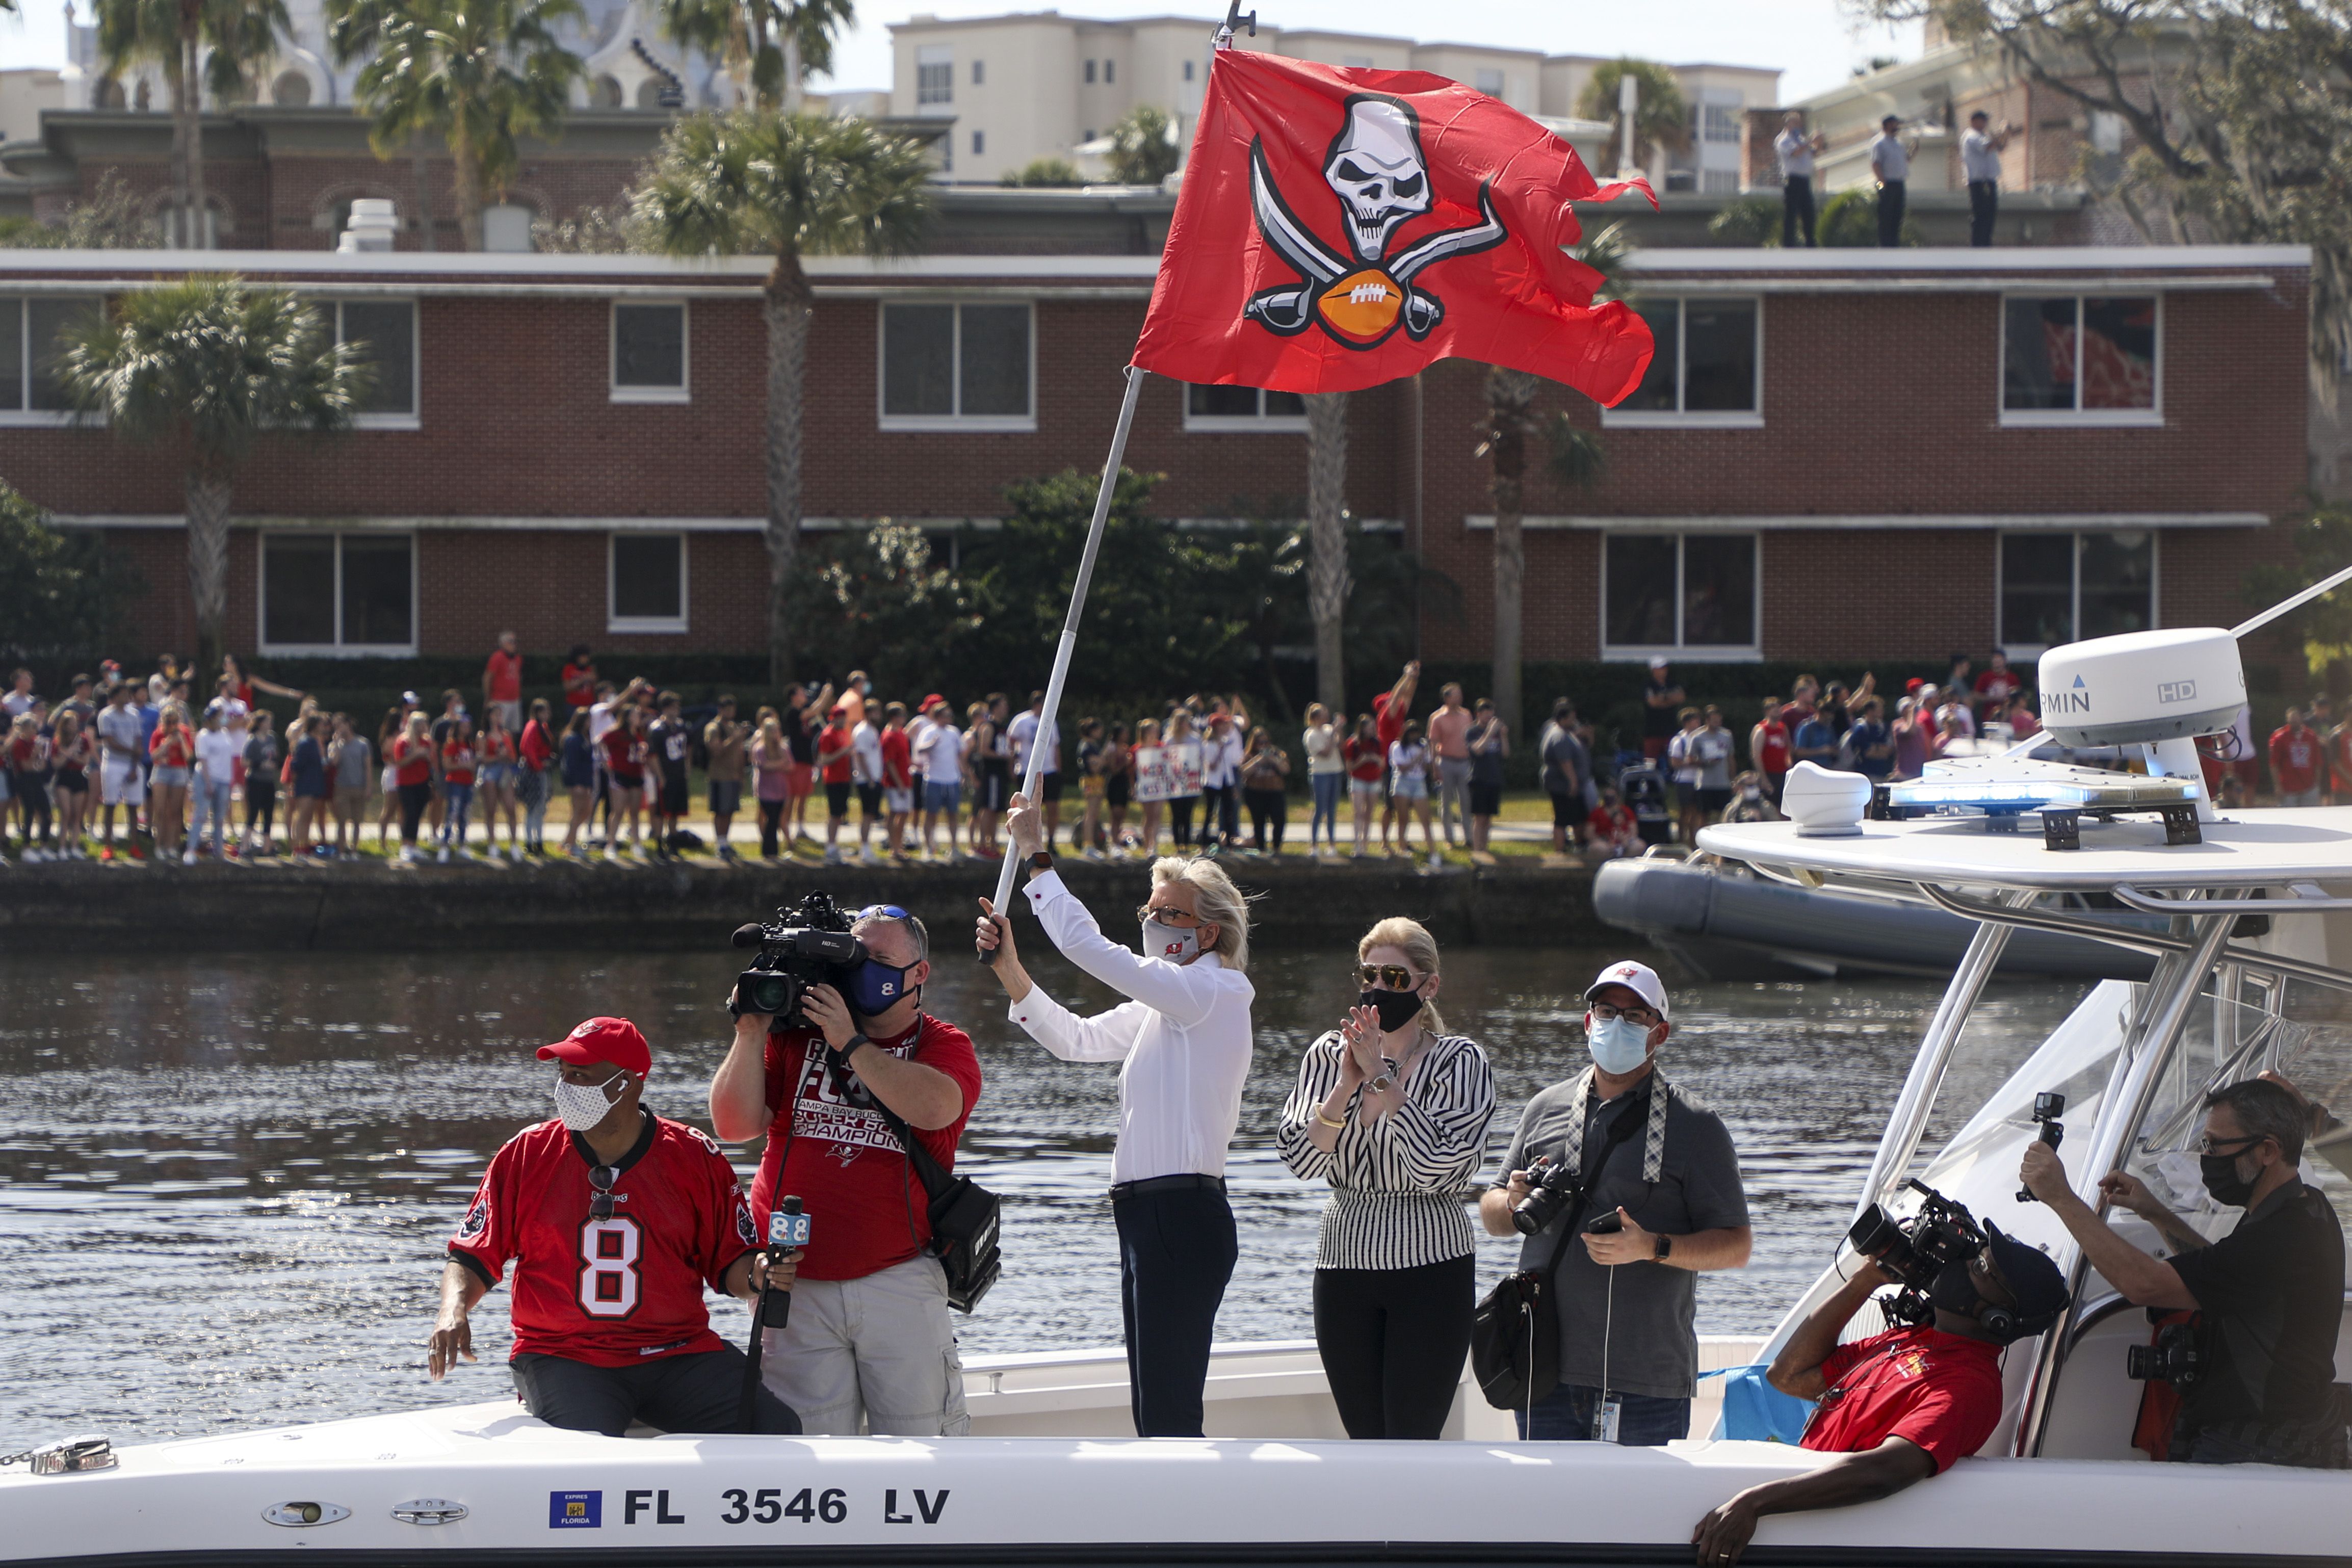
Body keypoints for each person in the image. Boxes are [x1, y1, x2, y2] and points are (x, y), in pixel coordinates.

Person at [976, 805, 1256, 1438]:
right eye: (1149, 911)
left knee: (1168, 1409)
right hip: (1145, 1217)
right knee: (1153, 1406)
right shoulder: (1169, 1005)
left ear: (1208, 934)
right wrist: (1010, 971)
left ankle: (1180, 1532)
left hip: (1181, 1217)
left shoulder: (1210, 994)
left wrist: (1037, 857)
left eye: (1168, 914)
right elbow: (1075, 1040)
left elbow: (1087, 947)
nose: (1154, 923)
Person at [431, 1016, 800, 1438]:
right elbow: (473, 1255)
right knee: (586, 1447)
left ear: (627, 1084)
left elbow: (732, 1263)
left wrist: (761, 1275)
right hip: (566, 1356)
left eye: (581, 1075)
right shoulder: (526, 1154)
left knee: (775, 1425)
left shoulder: (693, 1156)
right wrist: (452, 1308)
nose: (565, 1086)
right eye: (563, 1074)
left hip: (676, 1353)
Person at [710, 906, 982, 1436]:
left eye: (880, 960)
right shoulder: (798, 1038)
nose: (864, 971)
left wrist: (851, 1043)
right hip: (794, 1283)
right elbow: (734, 1124)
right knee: (805, 1447)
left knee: (921, 1444)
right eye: (857, 957)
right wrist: (750, 1032)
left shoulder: (944, 1045)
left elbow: (935, 1107)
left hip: (897, 1278)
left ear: (918, 974)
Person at [1691, 1216, 2072, 1566]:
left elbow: (1886, 1471)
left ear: (1997, 1318)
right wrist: (1864, 1281)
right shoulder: (1913, 1339)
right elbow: (1789, 1376)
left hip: (1835, 1542)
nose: (1963, 1264)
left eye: (1980, 1268)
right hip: (1806, 1528)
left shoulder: (1970, 1386)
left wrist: (1756, 1502)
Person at [1480, 960, 1753, 1443]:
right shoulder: (1545, 1108)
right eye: (1607, 1012)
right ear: (1589, 1022)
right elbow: (1494, 1213)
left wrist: (1653, 1247)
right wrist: (1512, 1200)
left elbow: (1736, 1246)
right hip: (1544, 1372)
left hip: (1647, 1381)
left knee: (1642, 1519)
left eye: (1635, 1017)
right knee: (1552, 1517)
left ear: (1660, 1033)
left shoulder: (1696, 1125)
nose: (1616, 1025)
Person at [2019, 1078, 2348, 1468]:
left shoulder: (2281, 1236)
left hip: (2262, 1447)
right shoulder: (2306, 1207)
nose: (2206, 1157)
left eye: (2214, 1145)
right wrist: (2154, 1211)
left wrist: (2061, 1198)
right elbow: (2223, 1274)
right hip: (2276, 1432)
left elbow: (2145, 1285)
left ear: (2267, 1151)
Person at [1276, 917, 1496, 1439]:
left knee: (1412, 1440)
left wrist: (1382, 1077)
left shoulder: (1459, 1062)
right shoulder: (1329, 1054)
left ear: (1429, 986)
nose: (1378, 988)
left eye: (1395, 978)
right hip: (1344, 1261)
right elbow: (1299, 1160)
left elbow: (1438, 1168)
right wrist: (1346, 1085)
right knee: (1364, 1441)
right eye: (1369, 975)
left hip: (1431, 1266)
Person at [95, 680, 145, 859]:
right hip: (113, 764)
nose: (128, 696)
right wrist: (133, 751)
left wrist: (133, 766)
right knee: (110, 804)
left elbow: (138, 740)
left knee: (133, 806)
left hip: (132, 764)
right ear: (115, 697)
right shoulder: (106, 716)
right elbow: (110, 742)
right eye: (124, 694)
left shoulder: (134, 715)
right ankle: (108, 846)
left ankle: (134, 846)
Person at [1008, 689, 1064, 848]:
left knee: (1053, 806)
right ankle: (1023, 841)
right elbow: (1011, 741)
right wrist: (1012, 763)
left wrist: (1058, 768)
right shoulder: (1022, 721)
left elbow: (1056, 746)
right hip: (1027, 770)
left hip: (1049, 770)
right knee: (1026, 808)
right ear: (1035, 705)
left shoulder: (1052, 721)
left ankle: (1051, 841)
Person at [914, 695, 965, 863]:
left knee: (953, 815)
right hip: (934, 779)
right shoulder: (929, 731)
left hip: (952, 780)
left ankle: (954, 847)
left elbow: (960, 754)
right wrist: (932, 744)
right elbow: (920, 749)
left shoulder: (954, 732)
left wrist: (963, 774)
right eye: (946, 715)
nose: (949, 718)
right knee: (931, 814)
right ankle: (928, 847)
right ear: (938, 716)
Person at [190, 702, 239, 864]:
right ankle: (191, 850)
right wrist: (208, 783)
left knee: (219, 819)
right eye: (220, 716)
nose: (223, 719)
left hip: (224, 780)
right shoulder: (203, 736)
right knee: (201, 815)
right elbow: (203, 760)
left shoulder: (225, 733)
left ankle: (219, 853)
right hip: (207, 779)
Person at [1540, 699, 1590, 855]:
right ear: (1563, 719)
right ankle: (1560, 851)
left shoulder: (1569, 733)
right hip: (1562, 785)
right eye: (1571, 718)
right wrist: (1573, 782)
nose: (1574, 721)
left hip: (1571, 784)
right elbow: (1565, 762)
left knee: (1578, 817)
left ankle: (1579, 847)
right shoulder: (1559, 736)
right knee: (1562, 819)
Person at [1428, 683, 1473, 849]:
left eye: (1460, 694)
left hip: (1464, 762)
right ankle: (1449, 838)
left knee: (1466, 801)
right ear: (1447, 698)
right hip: (1446, 762)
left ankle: (1469, 838)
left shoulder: (1466, 715)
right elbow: (1432, 745)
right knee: (1446, 802)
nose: (1460, 697)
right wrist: (1434, 767)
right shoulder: (1437, 718)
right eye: (1456, 694)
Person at [1960, 109, 2011, 248]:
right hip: (1979, 182)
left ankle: (1987, 243)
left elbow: (2000, 147)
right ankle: (1978, 245)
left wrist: (2005, 134)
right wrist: (2000, 132)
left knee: (1990, 214)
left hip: (1989, 181)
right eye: (1983, 120)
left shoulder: (1984, 135)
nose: (1986, 123)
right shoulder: (1971, 136)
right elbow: (1987, 147)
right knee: (1981, 215)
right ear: (1974, 121)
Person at [1774, 111, 1825, 247]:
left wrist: (1818, 144)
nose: (1799, 125)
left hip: (1805, 179)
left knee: (1808, 211)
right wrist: (1810, 141)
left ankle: (1810, 242)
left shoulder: (1801, 139)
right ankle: (1789, 243)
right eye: (1796, 123)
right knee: (1791, 212)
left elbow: (1812, 154)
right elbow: (1796, 153)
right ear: (1789, 124)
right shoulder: (1784, 140)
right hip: (1792, 179)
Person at [1389, 718, 1437, 863]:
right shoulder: (1397, 747)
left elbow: (1427, 768)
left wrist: (1425, 759)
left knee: (1426, 819)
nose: (1414, 738)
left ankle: (1433, 851)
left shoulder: (1423, 746)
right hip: (1403, 782)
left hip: (1419, 782)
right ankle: (1403, 848)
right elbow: (1402, 768)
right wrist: (1417, 758)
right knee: (1403, 818)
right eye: (1411, 734)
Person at [477, 704, 520, 860]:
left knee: (511, 808)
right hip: (490, 771)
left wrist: (506, 755)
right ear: (489, 716)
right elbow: (481, 759)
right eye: (496, 715)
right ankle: (492, 843)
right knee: (491, 809)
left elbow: (514, 757)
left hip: (505, 770)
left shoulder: (506, 734)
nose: (498, 718)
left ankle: (514, 843)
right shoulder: (483, 736)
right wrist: (497, 756)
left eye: (500, 715)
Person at [48, 709, 92, 858]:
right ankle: (62, 847)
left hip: (78, 777)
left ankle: (74, 846)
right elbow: (56, 763)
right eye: (71, 723)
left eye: (76, 722)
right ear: (65, 725)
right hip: (64, 777)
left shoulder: (83, 740)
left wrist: (68, 754)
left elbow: (85, 761)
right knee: (66, 813)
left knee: (77, 814)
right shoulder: (58, 741)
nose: (75, 725)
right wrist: (70, 753)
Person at [1466, 697, 1508, 854]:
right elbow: (1477, 750)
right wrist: (1490, 732)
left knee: (1489, 818)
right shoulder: (1472, 731)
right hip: (1479, 778)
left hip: (1495, 778)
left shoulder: (1498, 732)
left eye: (1491, 714)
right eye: (1486, 714)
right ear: (1479, 714)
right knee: (1480, 817)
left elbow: (1505, 754)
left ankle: (1485, 847)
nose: (1489, 717)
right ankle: (1477, 849)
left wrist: (1503, 736)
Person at [1300, 702, 1343, 858]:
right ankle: (1314, 844)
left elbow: (1340, 744)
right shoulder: (1311, 735)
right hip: (1320, 774)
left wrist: (1338, 729)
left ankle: (1332, 844)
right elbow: (1325, 753)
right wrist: (1333, 734)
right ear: (1316, 717)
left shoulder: (1329, 730)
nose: (1327, 717)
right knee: (1320, 809)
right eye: (1324, 715)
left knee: (1332, 811)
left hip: (1335, 771)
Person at [556, 707, 595, 859]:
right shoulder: (573, 738)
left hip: (586, 779)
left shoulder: (585, 737)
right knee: (579, 811)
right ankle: (571, 845)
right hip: (577, 781)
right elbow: (571, 763)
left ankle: (567, 840)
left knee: (587, 811)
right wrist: (577, 784)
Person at [850, 697, 885, 866]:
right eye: (876, 712)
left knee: (871, 815)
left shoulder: (872, 730)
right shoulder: (863, 731)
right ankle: (864, 848)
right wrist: (870, 778)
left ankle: (866, 847)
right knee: (867, 814)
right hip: (867, 780)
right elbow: (861, 756)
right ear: (868, 713)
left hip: (875, 778)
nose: (878, 715)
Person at [328, 713, 369, 856]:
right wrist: (337, 745)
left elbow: (368, 767)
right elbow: (334, 763)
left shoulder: (363, 744)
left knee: (357, 821)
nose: (338, 728)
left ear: (348, 724)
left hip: (359, 786)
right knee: (342, 821)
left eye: (340, 724)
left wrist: (368, 787)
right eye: (335, 726)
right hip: (341, 788)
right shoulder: (334, 745)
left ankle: (354, 849)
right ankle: (341, 850)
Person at [438, 717, 477, 864]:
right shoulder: (452, 745)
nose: (467, 729)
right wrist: (464, 766)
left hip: (468, 783)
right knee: (452, 813)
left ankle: (462, 844)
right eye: (464, 726)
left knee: (465, 814)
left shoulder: (471, 746)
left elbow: (473, 765)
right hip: (455, 783)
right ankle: (444, 845)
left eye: (469, 726)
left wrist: (471, 767)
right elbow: (447, 765)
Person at [879, 703, 915, 864]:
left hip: (905, 779)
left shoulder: (901, 732)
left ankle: (897, 845)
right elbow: (890, 762)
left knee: (902, 813)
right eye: (902, 715)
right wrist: (900, 783)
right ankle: (895, 848)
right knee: (897, 813)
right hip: (895, 782)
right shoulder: (889, 736)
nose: (904, 718)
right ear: (894, 717)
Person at [286, 714, 326, 856]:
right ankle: (297, 848)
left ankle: (305, 846)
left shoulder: (315, 742)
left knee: (309, 817)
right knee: (303, 816)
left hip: (314, 784)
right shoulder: (305, 742)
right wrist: (294, 785)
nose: (324, 727)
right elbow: (295, 766)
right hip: (305, 785)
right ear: (315, 725)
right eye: (321, 724)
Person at [1870, 114, 1911, 247]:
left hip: (1899, 183)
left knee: (1897, 214)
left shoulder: (1898, 144)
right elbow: (1876, 164)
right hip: (1885, 183)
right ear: (1888, 125)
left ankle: (1894, 244)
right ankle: (1885, 244)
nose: (1897, 127)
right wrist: (1883, 182)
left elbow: (1905, 161)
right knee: (1886, 215)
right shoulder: (1880, 143)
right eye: (1894, 124)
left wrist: (1914, 151)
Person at [2271, 707, 2323, 806]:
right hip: (2288, 787)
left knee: (2311, 816)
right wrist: (2278, 786)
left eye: (2296, 720)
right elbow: (2274, 764)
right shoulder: (2280, 738)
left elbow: (2318, 762)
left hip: (2309, 786)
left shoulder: (2311, 737)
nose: (2294, 722)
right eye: (2292, 720)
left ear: (2301, 719)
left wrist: (2317, 784)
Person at [1642, 657, 1684, 762]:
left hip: (1671, 729)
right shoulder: (1648, 685)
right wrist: (1670, 699)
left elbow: (1681, 697)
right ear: (1653, 670)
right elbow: (1653, 703)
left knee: (1672, 760)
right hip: (1653, 732)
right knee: (1651, 762)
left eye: (1664, 668)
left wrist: (1663, 699)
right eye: (1660, 668)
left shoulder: (1672, 683)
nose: (1663, 671)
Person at [482, 630, 524, 737]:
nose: (514, 644)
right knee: (500, 729)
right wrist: (488, 697)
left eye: (515, 641)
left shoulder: (518, 659)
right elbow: (488, 677)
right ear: (503, 643)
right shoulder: (497, 657)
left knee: (514, 731)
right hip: (500, 701)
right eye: (511, 641)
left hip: (515, 700)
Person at [1585, 783, 1638, 864]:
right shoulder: (1596, 812)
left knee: (1639, 846)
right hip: (1604, 843)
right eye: (1607, 796)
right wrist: (1604, 841)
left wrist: (1626, 840)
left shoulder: (1627, 811)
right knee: (1599, 848)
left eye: (1612, 797)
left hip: (1624, 842)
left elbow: (1634, 831)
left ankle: (1625, 863)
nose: (1609, 799)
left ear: (1618, 797)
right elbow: (1589, 833)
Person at [1971, 647, 2021, 725]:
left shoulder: (2013, 678)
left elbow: (2019, 697)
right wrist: (1991, 697)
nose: (1996, 661)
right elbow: (1976, 695)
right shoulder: (1985, 677)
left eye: (1999, 659)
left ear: (2005, 661)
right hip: (1989, 718)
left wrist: (2007, 699)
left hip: (2009, 719)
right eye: (1994, 659)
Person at [560, 644, 595, 719]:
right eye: (584, 657)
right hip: (573, 706)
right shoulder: (569, 668)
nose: (586, 659)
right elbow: (567, 687)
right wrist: (582, 680)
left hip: (589, 705)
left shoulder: (589, 669)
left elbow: (595, 687)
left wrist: (593, 679)